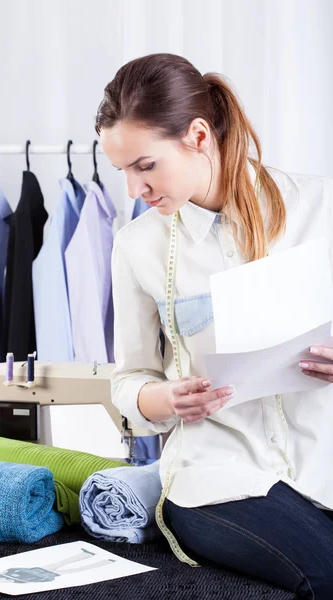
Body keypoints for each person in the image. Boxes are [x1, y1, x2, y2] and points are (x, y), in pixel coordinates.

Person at [95, 53, 333, 598]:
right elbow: (129, 380)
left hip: (323, 459)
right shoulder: (138, 247)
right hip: (219, 475)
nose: (135, 190)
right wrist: (166, 399)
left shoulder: (321, 207)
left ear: (198, 135)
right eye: (123, 172)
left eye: (145, 166)